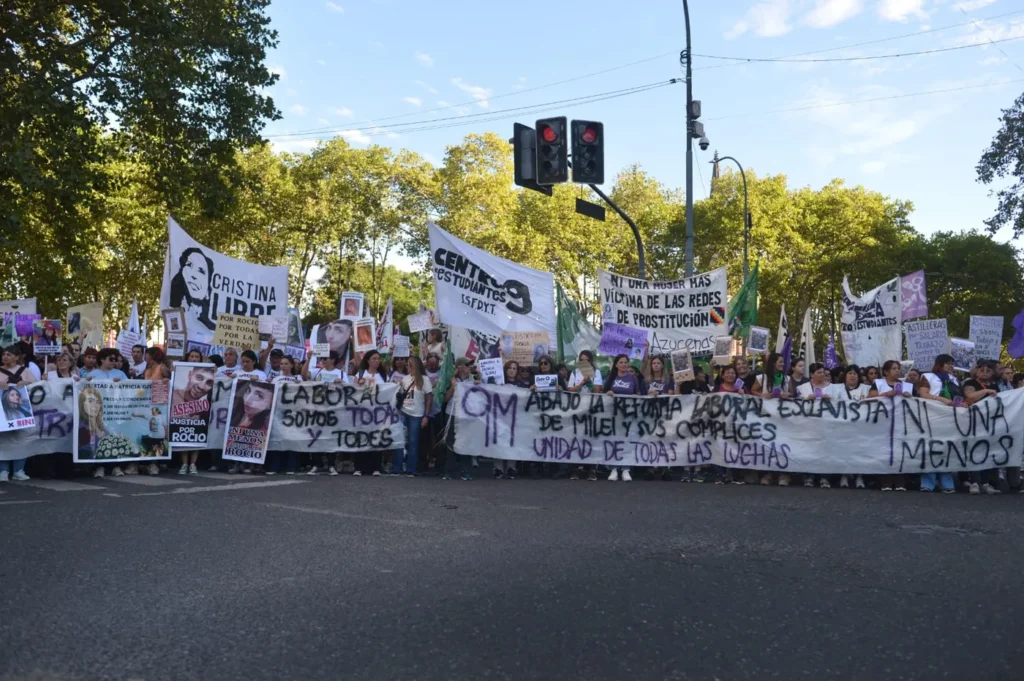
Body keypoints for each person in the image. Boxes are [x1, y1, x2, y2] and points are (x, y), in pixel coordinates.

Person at [962, 359, 1007, 495]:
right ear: (977, 372)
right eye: (982, 370)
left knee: (988, 451)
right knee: (975, 451)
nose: (985, 372)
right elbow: (970, 396)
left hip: (990, 424)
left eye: (988, 370)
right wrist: (987, 391)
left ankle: (986, 483)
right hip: (974, 423)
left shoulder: (995, 386)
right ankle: (974, 482)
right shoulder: (971, 383)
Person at [869, 360, 913, 492]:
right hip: (883, 423)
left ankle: (900, 481)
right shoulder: (878, 384)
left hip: (900, 422)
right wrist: (886, 395)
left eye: (898, 368)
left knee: (900, 451)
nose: (897, 371)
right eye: (894, 368)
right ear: (886, 371)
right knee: (884, 451)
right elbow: (870, 399)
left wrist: (909, 397)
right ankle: (885, 481)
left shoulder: (906, 386)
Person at [565, 350, 604, 481]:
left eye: (586, 360)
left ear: (591, 361)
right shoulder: (575, 372)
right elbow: (570, 389)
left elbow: (597, 390)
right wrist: (581, 384)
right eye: (581, 360)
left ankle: (591, 468)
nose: (584, 362)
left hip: (591, 407)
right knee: (576, 437)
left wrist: (589, 383)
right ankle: (575, 468)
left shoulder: (596, 372)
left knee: (591, 437)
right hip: (577, 407)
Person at [603, 354, 642, 482]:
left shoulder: (633, 378)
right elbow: (603, 393)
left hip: (628, 414)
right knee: (614, 440)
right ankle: (613, 469)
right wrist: (608, 393)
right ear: (616, 365)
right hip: (613, 414)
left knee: (627, 440)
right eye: (621, 362)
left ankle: (626, 469)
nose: (624, 364)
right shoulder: (611, 377)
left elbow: (638, 394)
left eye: (626, 362)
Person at [830, 365, 868, 490]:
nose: (852, 376)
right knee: (844, 450)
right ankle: (844, 475)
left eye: (855, 373)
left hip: (861, 427)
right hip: (843, 426)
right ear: (845, 376)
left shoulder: (866, 389)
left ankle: (859, 476)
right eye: (850, 373)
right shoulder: (836, 389)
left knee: (860, 451)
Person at [352, 350, 389, 475]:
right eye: (374, 358)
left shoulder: (383, 376)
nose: (377, 361)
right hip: (362, 412)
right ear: (368, 360)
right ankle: (359, 467)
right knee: (361, 438)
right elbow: (353, 392)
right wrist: (358, 384)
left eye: (378, 359)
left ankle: (376, 467)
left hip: (378, 413)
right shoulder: (361, 374)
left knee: (376, 439)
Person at [174, 364, 216, 476]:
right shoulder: (174, 396)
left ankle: (193, 464)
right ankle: (184, 464)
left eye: (209, 383)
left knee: (196, 435)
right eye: (199, 378)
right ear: (189, 375)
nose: (202, 386)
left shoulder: (207, 404)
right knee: (183, 435)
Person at [796, 363, 832, 488]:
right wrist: (805, 400)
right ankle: (809, 476)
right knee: (808, 449)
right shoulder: (802, 388)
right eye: (819, 372)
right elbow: (795, 405)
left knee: (825, 450)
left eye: (823, 372)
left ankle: (824, 477)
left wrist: (830, 399)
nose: (822, 375)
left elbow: (840, 403)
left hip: (826, 425)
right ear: (812, 374)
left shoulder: (832, 388)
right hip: (808, 425)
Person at [395, 356, 432, 477]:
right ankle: (397, 468)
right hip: (403, 412)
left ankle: (411, 468)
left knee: (413, 441)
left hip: (417, 414)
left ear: (414, 366)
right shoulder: (405, 379)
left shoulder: (425, 380)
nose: (406, 367)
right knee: (400, 440)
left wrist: (426, 415)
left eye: (409, 365)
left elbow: (429, 399)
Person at [77, 386, 124, 479]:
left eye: (98, 402)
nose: (95, 405)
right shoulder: (81, 426)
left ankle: (113, 467)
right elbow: (84, 449)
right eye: (90, 401)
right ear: (82, 404)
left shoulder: (103, 426)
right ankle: (100, 468)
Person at [265, 356, 301, 475]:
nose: (283, 366)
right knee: (276, 439)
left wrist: (300, 385)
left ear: (291, 365)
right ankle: (274, 466)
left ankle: (290, 466)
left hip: (292, 414)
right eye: (281, 364)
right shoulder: (276, 379)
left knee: (291, 439)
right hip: (277, 414)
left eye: (286, 364)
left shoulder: (298, 378)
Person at [443, 358, 479, 480]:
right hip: (452, 413)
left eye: (470, 365)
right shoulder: (451, 380)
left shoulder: (473, 380)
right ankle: (448, 471)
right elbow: (445, 399)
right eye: (467, 365)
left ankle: (466, 471)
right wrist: (453, 387)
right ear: (460, 367)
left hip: (466, 415)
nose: (470, 367)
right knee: (450, 443)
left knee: (466, 442)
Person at [642, 355, 675, 481]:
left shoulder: (669, 380)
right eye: (654, 363)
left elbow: (671, 394)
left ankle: (665, 468)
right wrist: (648, 394)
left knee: (665, 440)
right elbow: (640, 395)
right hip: (650, 414)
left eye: (658, 363)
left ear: (662, 365)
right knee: (651, 440)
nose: (656, 365)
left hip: (666, 414)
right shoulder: (646, 380)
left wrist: (662, 394)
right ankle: (651, 467)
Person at [169, 247, 215, 334]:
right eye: (189, 265)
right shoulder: (174, 320)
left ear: (207, 292)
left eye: (201, 271)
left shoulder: (214, 331)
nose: (193, 275)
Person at [0, 388, 31, 478]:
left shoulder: (22, 408)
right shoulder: (3, 410)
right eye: (12, 395)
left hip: (20, 432)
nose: (16, 397)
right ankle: (3, 471)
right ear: (6, 397)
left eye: (17, 394)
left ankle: (18, 470)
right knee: (4, 446)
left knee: (21, 445)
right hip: (4, 432)